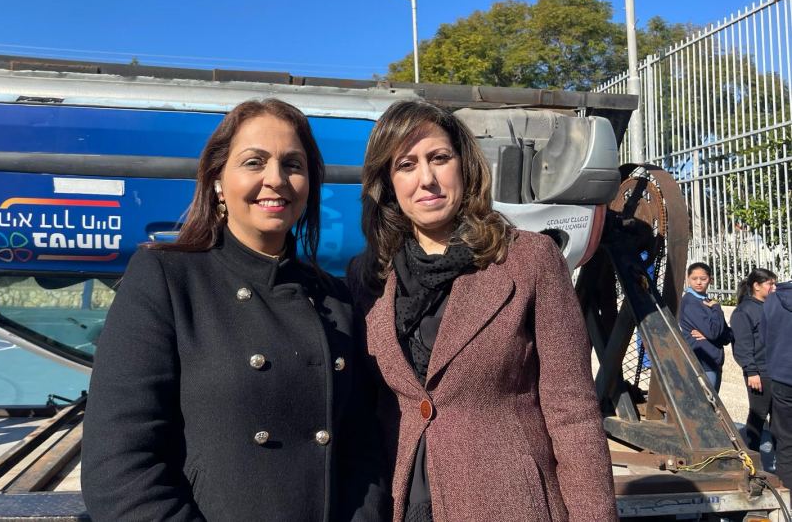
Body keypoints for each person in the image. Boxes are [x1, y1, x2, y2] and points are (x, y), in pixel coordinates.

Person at [82, 99, 388, 521]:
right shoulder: (168, 279)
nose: (275, 179)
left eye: (293, 165)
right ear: (217, 181)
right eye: (254, 162)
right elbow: (119, 470)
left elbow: (363, 452)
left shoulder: (334, 298)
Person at [348, 100, 617, 522]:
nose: (427, 179)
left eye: (439, 158)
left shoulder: (528, 259)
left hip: (507, 500)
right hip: (401, 501)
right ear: (387, 182)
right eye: (406, 165)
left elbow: (573, 412)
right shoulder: (369, 277)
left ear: (465, 165)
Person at [730, 267, 777, 453]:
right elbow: (743, 345)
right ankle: (752, 456)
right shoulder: (744, 311)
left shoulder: (771, 307)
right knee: (758, 415)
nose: (773, 288)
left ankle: (782, 459)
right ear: (757, 286)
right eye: (770, 284)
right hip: (760, 372)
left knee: (779, 418)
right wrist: (751, 371)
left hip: (776, 370)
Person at [679, 262, 733, 392]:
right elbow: (714, 332)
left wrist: (711, 335)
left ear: (710, 280)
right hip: (702, 362)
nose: (698, 282)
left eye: (703, 279)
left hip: (713, 360)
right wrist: (717, 309)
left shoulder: (707, 301)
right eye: (694, 278)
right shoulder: (691, 302)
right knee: (707, 401)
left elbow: (727, 335)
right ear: (688, 279)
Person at [762, 280, 792, 488]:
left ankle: (787, 487)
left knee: (785, 437)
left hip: (782, 375)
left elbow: (765, 337)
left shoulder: (772, 300)